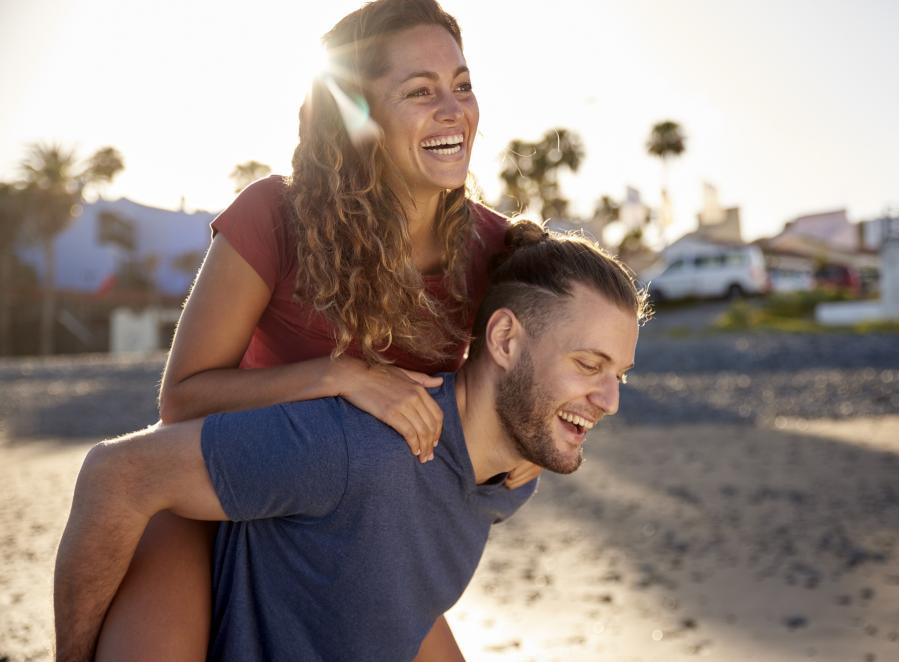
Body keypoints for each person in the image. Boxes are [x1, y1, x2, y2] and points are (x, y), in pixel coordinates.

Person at [96, 1, 539, 659]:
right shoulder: (274, 213)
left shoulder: (494, 248)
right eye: (421, 91)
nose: (454, 110)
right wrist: (341, 377)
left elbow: (560, 360)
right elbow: (181, 400)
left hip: (362, 535)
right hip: (219, 501)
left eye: (462, 85)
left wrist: (533, 429)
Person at [54, 223, 648, 661]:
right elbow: (116, 473)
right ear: (506, 340)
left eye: (617, 375)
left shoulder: (510, 478)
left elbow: (394, 582)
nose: (609, 399)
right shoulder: (358, 446)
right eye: (588, 364)